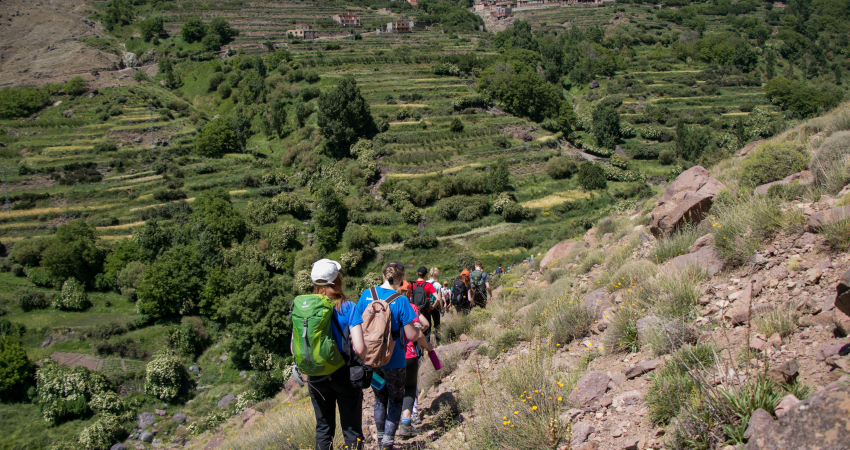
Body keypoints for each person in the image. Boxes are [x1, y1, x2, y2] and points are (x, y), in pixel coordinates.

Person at [349, 261, 423, 450]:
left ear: (383, 275)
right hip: (395, 360)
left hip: (371, 360)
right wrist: (415, 327)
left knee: (380, 399)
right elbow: (412, 335)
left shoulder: (367, 294)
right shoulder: (401, 300)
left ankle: (380, 439)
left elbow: (356, 324)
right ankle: (388, 442)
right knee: (396, 400)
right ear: (401, 279)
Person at [304, 259, 364, 450]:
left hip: (316, 375)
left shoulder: (304, 309)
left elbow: (293, 348)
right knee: (351, 430)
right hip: (344, 373)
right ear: (337, 280)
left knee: (324, 429)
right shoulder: (348, 307)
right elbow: (360, 348)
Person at [397, 280, 432, 437]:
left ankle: (396, 418)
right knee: (411, 386)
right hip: (411, 351)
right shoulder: (412, 307)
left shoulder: (391, 306)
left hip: (393, 355)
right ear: (409, 292)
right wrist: (418, 330)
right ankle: (413, 413)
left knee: (397, 387)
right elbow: (425, 324)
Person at [411, 266, 441, 345]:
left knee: (415, 330)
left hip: (415, 312)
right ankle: (426, 349)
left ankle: (418, 350)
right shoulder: (428, 285)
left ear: (417, 274)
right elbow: (438, 299)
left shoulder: (412, 285)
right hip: (426, 311)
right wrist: (433, 307)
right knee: (427, 331)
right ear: (425, 275)